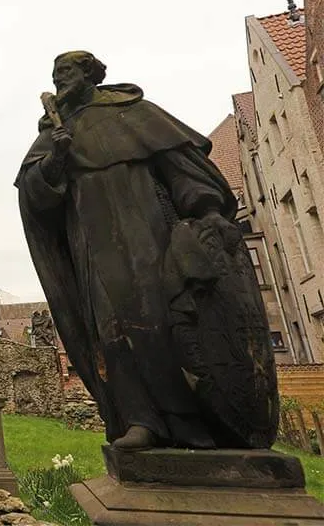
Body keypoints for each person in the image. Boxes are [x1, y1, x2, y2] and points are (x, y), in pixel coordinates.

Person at [16, 51, 277, 451]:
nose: (58, 81)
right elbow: (35, 196)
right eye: (54, 75)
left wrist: (205, 210)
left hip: (150, 233)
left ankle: (195, 420)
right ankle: (141, 420)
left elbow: (181, 165)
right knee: (111, 330)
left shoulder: (134, 113)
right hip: (92, 243)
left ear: (89, 74)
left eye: (65, 72)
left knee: (165, 319)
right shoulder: (55, 133)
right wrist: (56, 159)